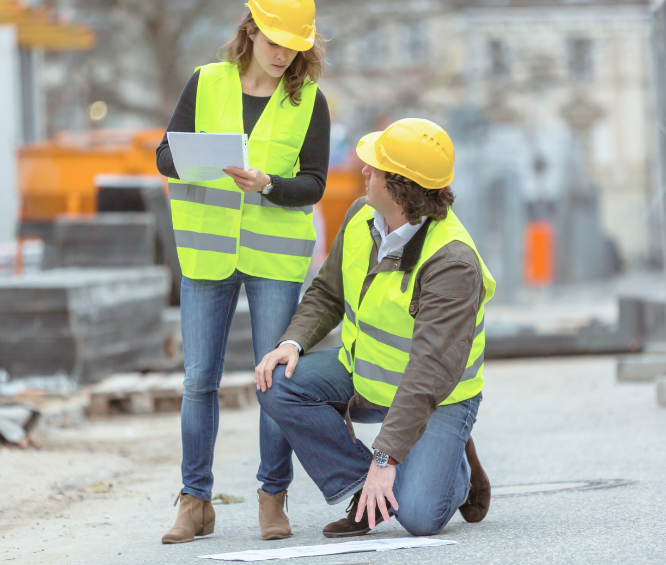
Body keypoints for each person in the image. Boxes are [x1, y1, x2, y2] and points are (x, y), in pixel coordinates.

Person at [255, 118, 496, 537]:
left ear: (401, 186)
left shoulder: (451, 262)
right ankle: (360, 491)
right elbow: (327, 293)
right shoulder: (360, 215)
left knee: (420, 517)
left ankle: (451, 461)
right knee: (278, 381)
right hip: (365, 374)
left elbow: (428, 375)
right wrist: (292, 343)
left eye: (376, 167)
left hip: (436, 398)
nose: (364, 170)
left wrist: (385, 459)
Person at [155, 0, 330, 544]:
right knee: (198, 381)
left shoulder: (309, 102)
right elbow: (164, 156)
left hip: (273, 259)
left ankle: (272, 497)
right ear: (250, 32)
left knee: (273, 382)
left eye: (294, 46)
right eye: (275, 42)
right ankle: (194, 501)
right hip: (208, 255)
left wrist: (269, 185)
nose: (283, 55)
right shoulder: (205, 83)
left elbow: (316, 183)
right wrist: (203, 161)